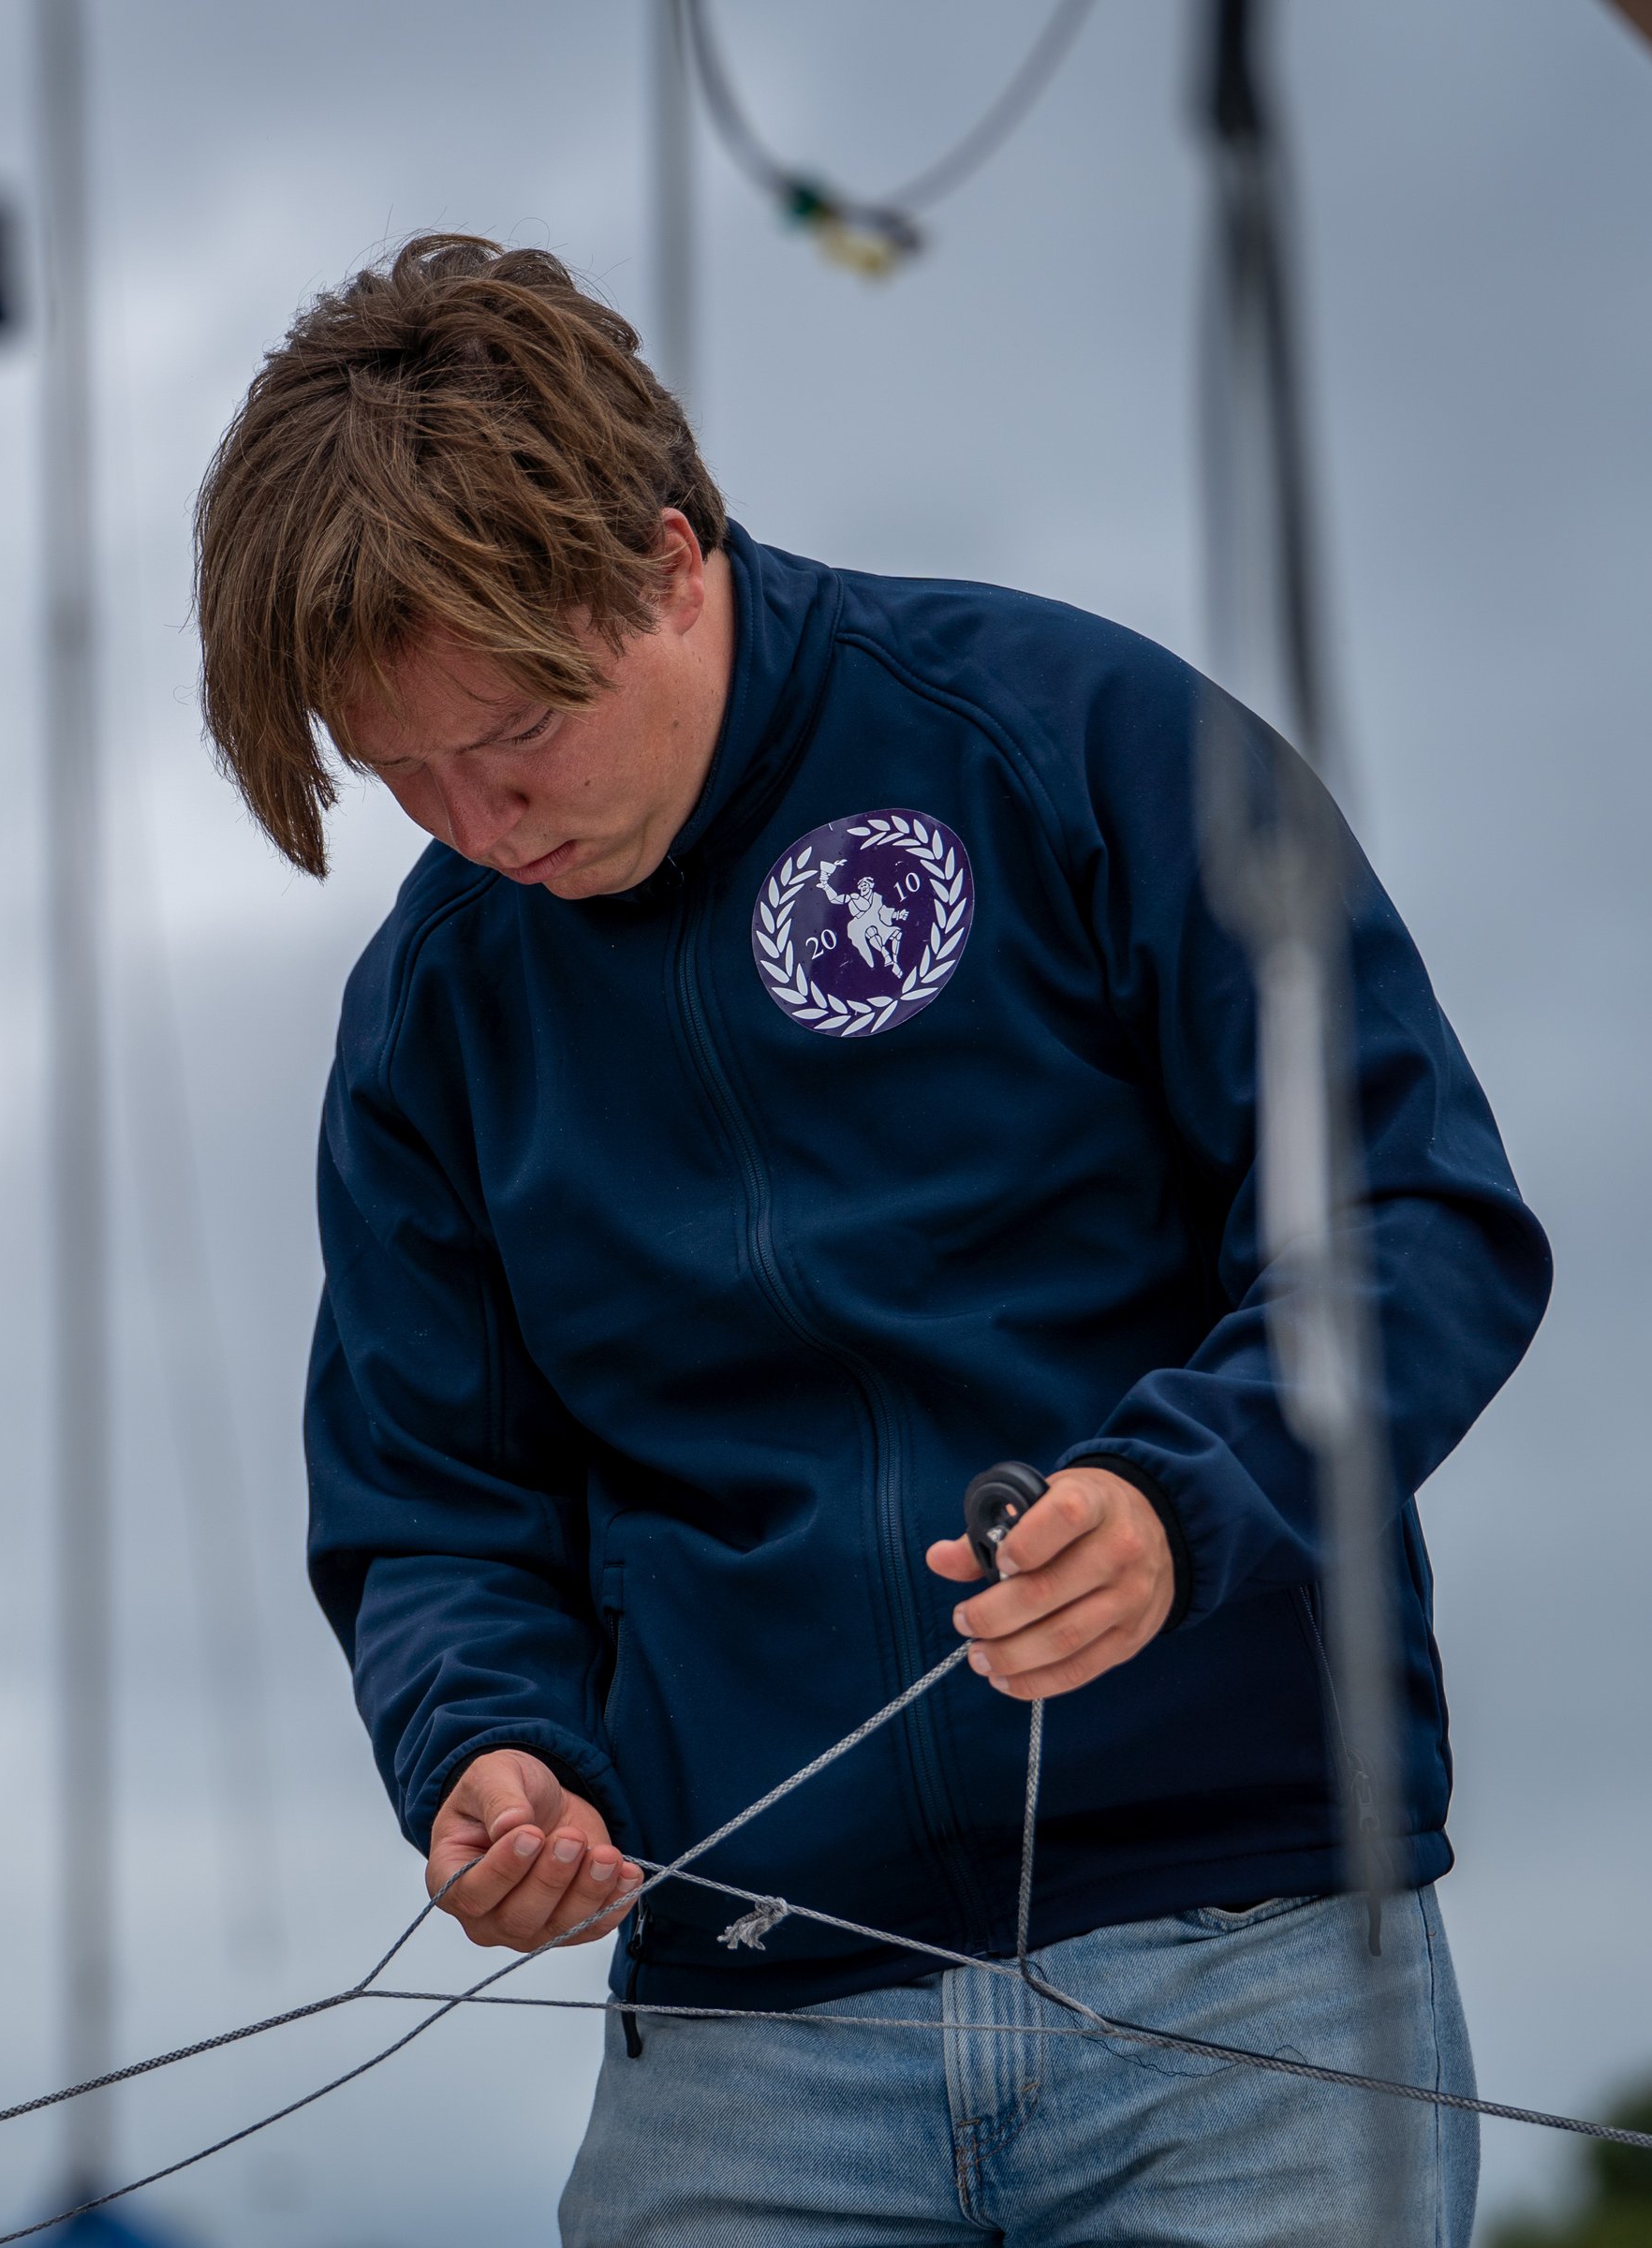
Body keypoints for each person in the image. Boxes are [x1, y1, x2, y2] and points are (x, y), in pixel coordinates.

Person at [189, 236, 1548, 2244]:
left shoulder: (1070, 738)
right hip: (748, 2035)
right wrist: (489, 1746)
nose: (477, 826)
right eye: (404, 776)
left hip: (1243, 1970)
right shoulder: (434, 1010)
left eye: (518, 737)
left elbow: (1411, 1218)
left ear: (666, 563)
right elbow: (433, 1502)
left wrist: (1188, 1503)